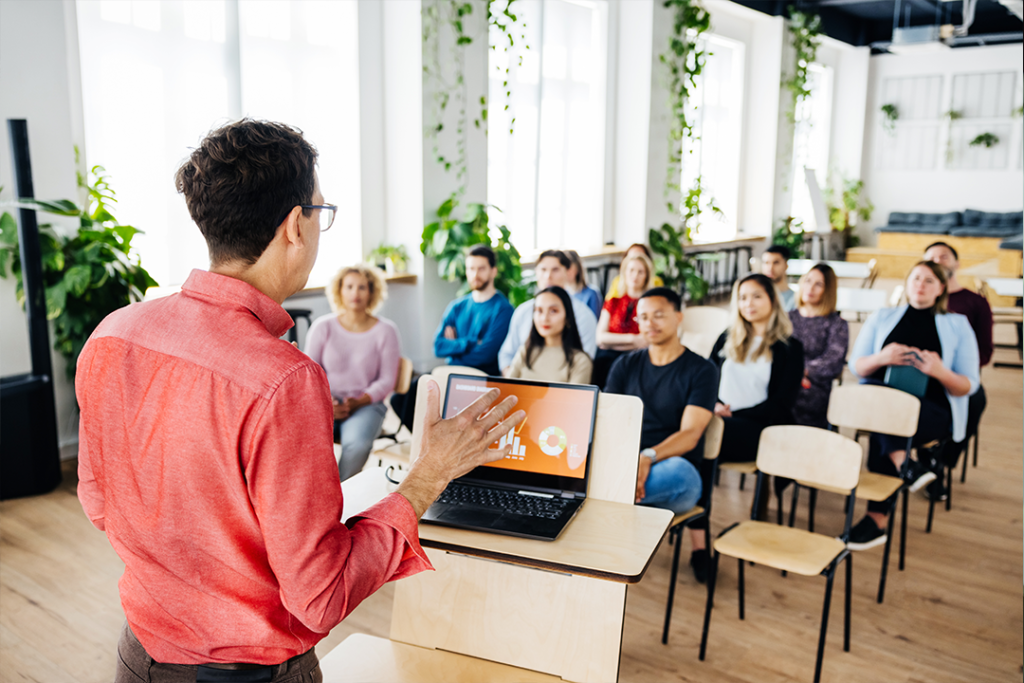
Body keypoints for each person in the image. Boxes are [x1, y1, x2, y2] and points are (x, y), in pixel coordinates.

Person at [76, 119, 525, 682]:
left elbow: (99, 503)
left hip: (138, 656)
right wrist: (428, 475)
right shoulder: (282, 379)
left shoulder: (113, 333)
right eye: (320, 211)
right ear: (295, 225)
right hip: (246, 673)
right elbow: (321, 596)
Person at [846, 261, 979, 550]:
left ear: (941, 288)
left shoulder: (958, 324)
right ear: (906, 283)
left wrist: (940, 371)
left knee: (884, 427)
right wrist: (882, 358)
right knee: (878, 403)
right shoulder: (882, 317)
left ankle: (877, 518)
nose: (921, 285)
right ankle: (904, 464)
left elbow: (970, 385)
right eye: (916, 278)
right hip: (882, 406)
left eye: (929, 280)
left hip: (931, 411)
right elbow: (857, 367)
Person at [605, 287, 718, 582]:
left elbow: (691, 434)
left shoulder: (702, 370)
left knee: (680, 473)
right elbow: (609, 424)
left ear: (678, 317)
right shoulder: (625, 365)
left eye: (658, 315)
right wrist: (628, 464)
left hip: (671, 470)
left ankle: (608, 505)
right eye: (643, 317)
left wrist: (647, 457)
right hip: (628, 466)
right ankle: (616, 508)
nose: (650, 323)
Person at [709, 274, 804, 516]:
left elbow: (782, 403)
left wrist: (733, 415)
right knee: (693, 429)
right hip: (720, 420)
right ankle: (698, 512)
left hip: (762, 427)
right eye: (742, 298)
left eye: (756, 297)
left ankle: (697, 514)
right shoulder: (727, 337)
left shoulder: (790, 348)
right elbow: (706, 379)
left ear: (772, 300)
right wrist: (715, 405)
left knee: (700, 436)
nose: (748, 304)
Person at [305, 263, 400, 481]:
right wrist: (326, 402)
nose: (355, 293)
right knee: (303, 439)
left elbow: (387, 380)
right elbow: (310, 373)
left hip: (366, 405)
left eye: (362, 287)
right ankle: (315, 490)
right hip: (324, 401)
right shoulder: (322, 327)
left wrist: (358, 401)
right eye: (349, 287)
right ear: (339, 291)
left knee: (356, 445)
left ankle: (338, 493)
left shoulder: (386, 331)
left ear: (372, 292)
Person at [924, 241, 991, 479]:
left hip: (957, 374)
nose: (937, 261)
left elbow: (985, 352)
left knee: (975, 400)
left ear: (957, 264)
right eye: (931, 257)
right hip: (922, 371)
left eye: (943, 256)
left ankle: (942, 463)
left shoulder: (976, 302)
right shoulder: (921, 299)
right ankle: (917, 457)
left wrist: (951, 369)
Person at [499, 250, 597, 373]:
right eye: (543, 270)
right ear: (536, 272)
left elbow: (585, 361)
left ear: (568, 272)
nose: (548, 276)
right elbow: (506, 355)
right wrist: (513, 380)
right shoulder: (522, 311)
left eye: (555, 270)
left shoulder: (584, 315)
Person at [433, 245, 515, 375]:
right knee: (418, 383)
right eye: (471, 269)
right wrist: (471, 343)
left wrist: (454, 352)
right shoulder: (456, 306)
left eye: (481, 269)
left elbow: (485, 356)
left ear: (493, 271)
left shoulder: (503, 310)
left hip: (483, 379)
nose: (475, 275)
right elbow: (438, 347)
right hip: (453, 376)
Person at [788, 263, 849, 429]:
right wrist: (791, 374)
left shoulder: (836, 323)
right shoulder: (787, 318)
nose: (810, 288)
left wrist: (800, 372)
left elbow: (833, 360)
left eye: (819, 284)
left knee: (798, 397)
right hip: (785, 378)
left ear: (827, 290)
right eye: (808, 281)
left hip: (814, 384)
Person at [507, 286, 593, 384]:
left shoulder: (580, 361)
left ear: (567, 317)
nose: (544, 318)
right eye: (539, 310)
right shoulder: (525, 352)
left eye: (553, 311)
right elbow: (505, 388)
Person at [592, 251, 653, 387]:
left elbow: (646, 341)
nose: (635, 275)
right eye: (631, 270)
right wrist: (633, 340)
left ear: (646, 276)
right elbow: (600, 338)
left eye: (640, 272)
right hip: (607, 359)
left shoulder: (649, 305)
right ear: (624, 273)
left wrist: (612, 342)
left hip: (637, 359)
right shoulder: (612, 302)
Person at [564, 249, 603, 319]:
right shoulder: (562, 294)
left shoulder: (592, 294)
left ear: (577, 268)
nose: (565, 271)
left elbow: (595, 321)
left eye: (568, 267)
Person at [761, 245, 796, 312]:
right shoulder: (757, 297)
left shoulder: (795, 300)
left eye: (776, 262)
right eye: (766, 263)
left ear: (786, 265)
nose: (770, 268)